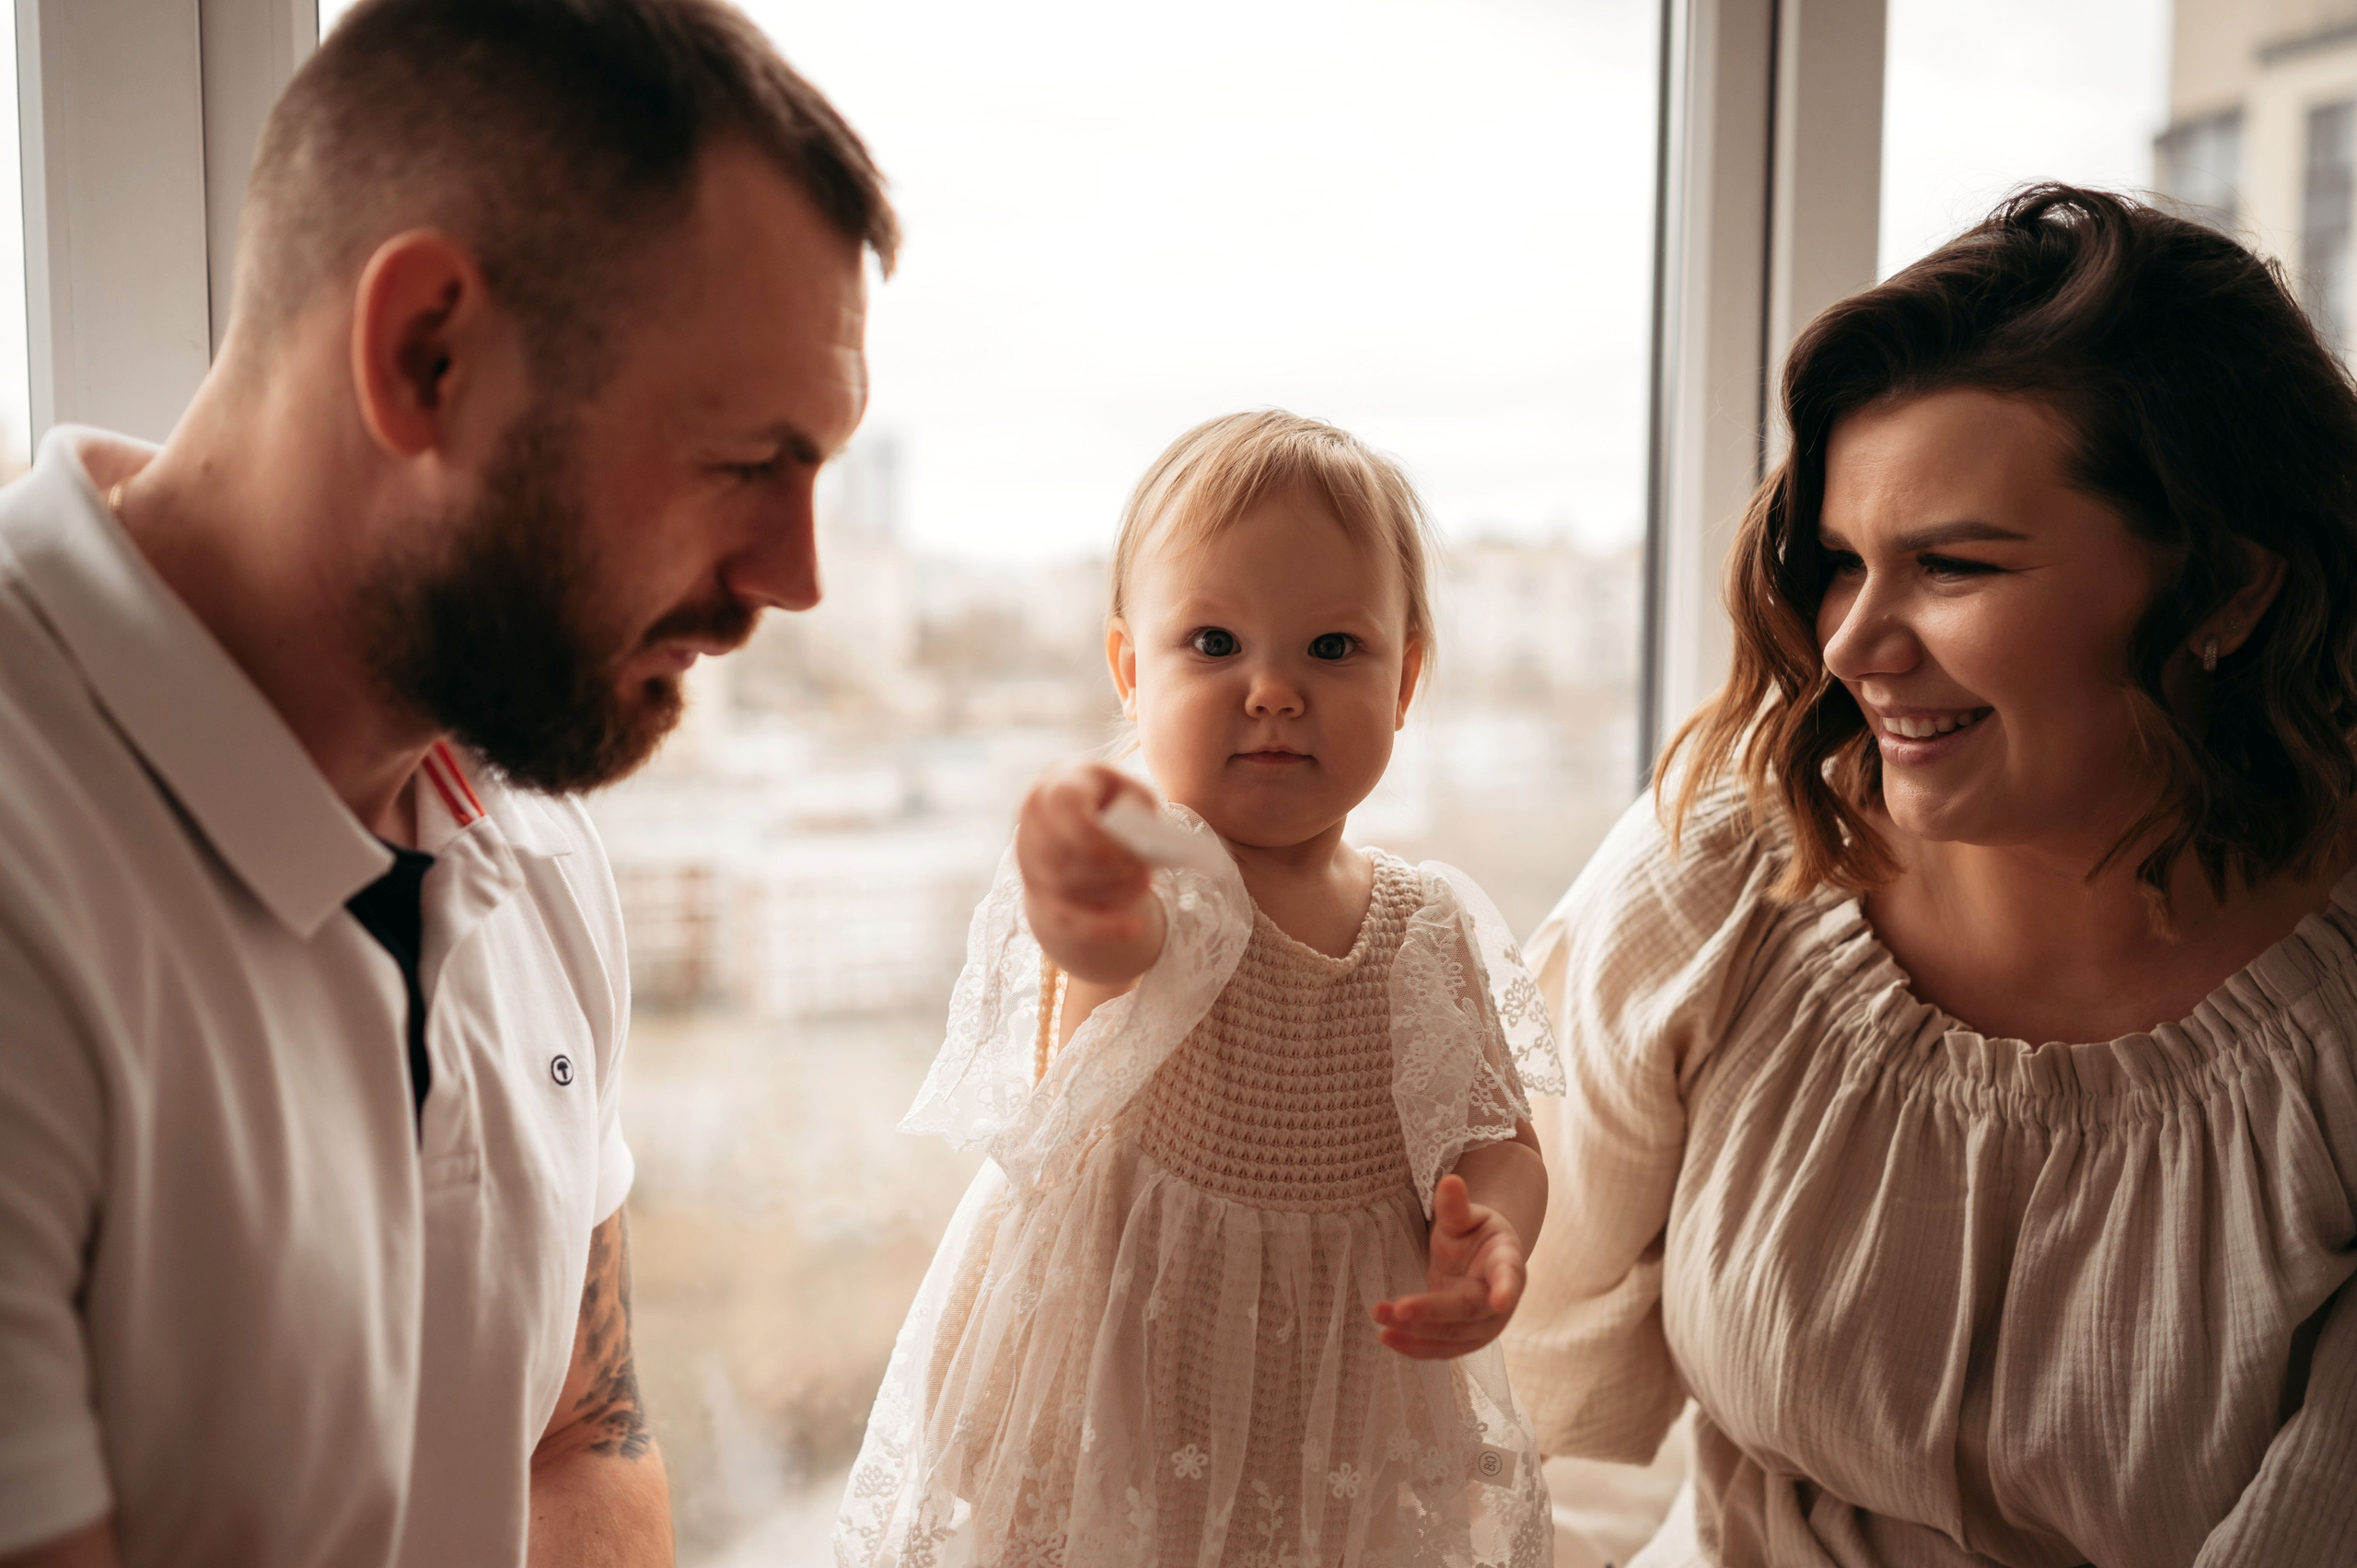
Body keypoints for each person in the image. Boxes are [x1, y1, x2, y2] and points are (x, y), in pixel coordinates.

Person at [0, 2, 895, 1564]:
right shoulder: (30, 868)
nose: (796, 578)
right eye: (747, 462)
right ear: (430, 353)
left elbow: (576, 1427)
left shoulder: (525, 834)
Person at [1502, 185, 2357, 1566]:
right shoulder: (1729, 872)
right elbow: (1493, 1359)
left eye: (1953, 564)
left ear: (2230, 591)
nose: (1849, 645)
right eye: (1843, 563)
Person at [835, 412, 1563, 1565]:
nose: (1273, 689)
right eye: (1215, 643)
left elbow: (1495, 1135)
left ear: (1406, 676)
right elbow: (1102, 940)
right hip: (1119, 1400)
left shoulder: (1426, 928)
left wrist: (1494, 1237)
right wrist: (1070, 857)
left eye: (1332, 649)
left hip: (1339, 1408)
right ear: (1131, 670)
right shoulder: (1168, 877)